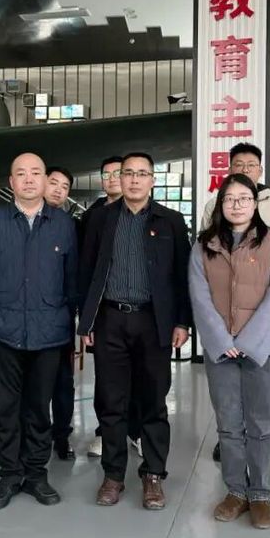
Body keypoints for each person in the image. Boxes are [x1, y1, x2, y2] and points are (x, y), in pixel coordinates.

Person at [79, 152, 191, 510]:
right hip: (110, 319)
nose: (134, 179)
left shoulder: (171, 221)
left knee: (153, 401)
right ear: (119, 179)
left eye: (142, 174)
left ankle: (153, 474)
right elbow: (86, 270)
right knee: (111, 401)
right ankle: (113, 475)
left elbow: (183, 275)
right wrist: (86, 320)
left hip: (153, 321)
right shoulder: (100, 218)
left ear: (152, 180)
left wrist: (182, 321)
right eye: (128, 173)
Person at [0, 152, 79, 510]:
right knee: (5, 408)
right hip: (1, 331)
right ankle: (9, 475)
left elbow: (72, 279)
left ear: (45, 180)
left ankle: (36, 474)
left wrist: (70, 323)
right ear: (11, 182)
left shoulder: (64, 224)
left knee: (38, 407)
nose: (29, 179)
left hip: (49, 333)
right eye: (21, 173)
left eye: (35, 173)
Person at [189, 174, 270, 529]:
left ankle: (260, 493)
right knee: (228, 423)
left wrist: (249, 342)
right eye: (229, 199)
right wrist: (222, 341)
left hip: (262, 350)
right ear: (220, 205)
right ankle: (235, 490)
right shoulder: (204, 245)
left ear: (255, 203)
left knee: (261, 424)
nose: (236, 205)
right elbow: (199, 296)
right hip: (220, 350)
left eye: (244, 198)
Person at [201, 142, 270, 466]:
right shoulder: (214, 203)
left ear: (260, 170)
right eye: (238, 164)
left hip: (262, 310)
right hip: (225, 311)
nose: (244, 169)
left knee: (264, 385)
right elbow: (207, 252)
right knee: (226, 390)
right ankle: (228, 439)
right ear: (229, 169)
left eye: (250, 165)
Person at [78, 156, 143, 460]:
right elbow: (86, 268)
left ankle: (136, 431)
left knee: (141, 376)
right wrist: (86, 318)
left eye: (119, 172)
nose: (113, 178)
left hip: (141, 311)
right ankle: (105, 433)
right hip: (106, 313)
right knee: (107, 379)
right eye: (106, 174)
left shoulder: (149, 214)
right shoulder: (93, 217)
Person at [44, 166, 78, 460]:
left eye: (64, 186)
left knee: (63, 381)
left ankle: (62, 435)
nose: (58, 190)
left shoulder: (71, 226)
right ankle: (36, 434)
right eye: (53, 182)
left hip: (61, 316)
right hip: (29, 316)